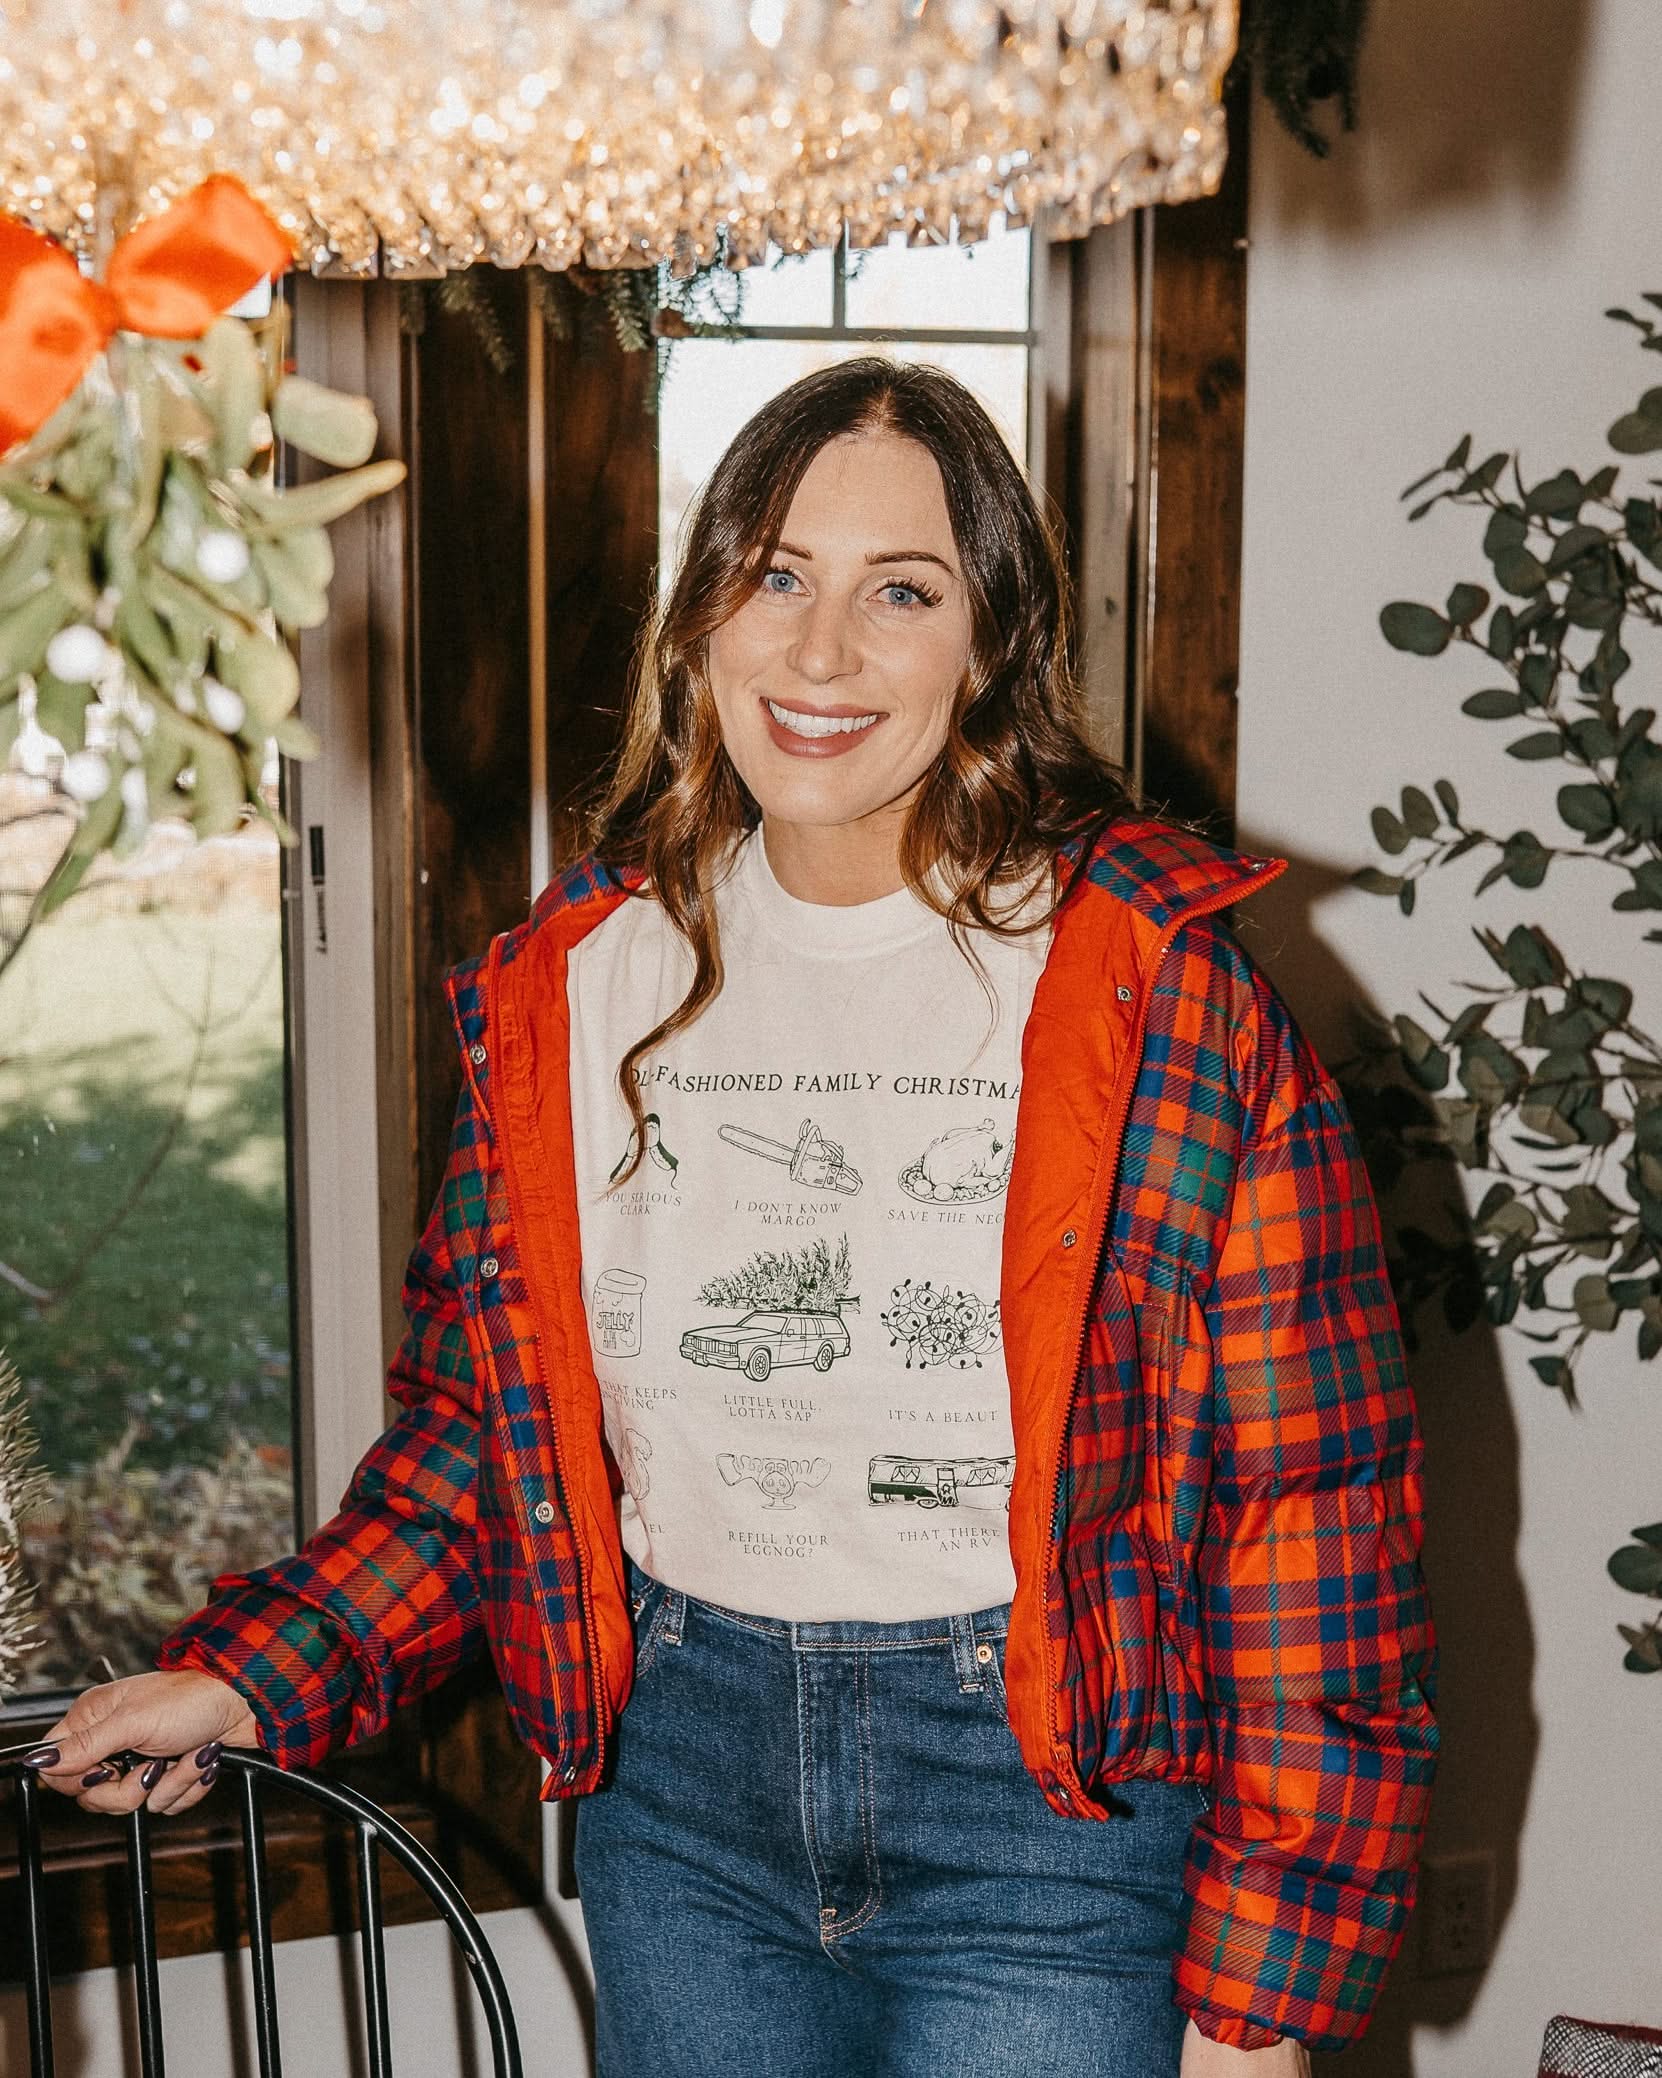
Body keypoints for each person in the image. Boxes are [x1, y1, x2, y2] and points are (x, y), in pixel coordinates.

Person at [27, 357, 1436, 2075]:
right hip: (680, 1805)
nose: (821, 652)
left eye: (898, 591)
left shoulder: (1158, 991)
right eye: (775, 574)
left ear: (986, 643)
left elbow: (1314, 1514)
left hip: (1048, 1820)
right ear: (699, 618)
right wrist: (257, 1674)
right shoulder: (568, 984)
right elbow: (488, 1437)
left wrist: (1256, 2004)